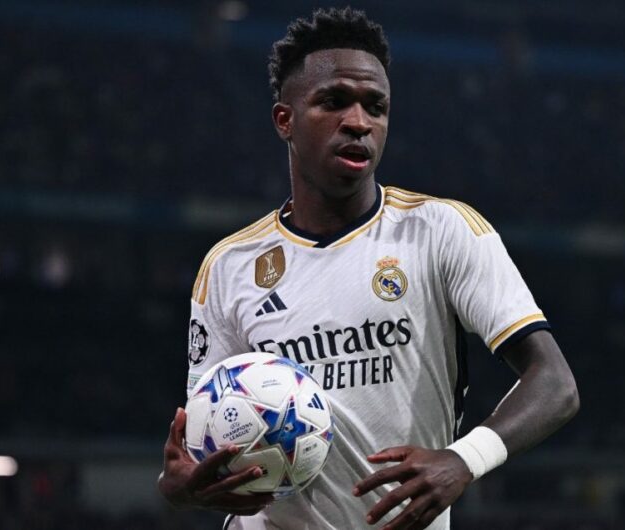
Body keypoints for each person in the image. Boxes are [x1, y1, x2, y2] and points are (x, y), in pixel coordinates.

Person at [158, 7, 579, 530]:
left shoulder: (442, 231)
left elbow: (555, 384)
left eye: (375, 107)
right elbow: (204, 438)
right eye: (334, 101)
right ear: (284, 120)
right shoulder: (229, 266)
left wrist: (464, 459)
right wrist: (178, 486)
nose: (359, 122)